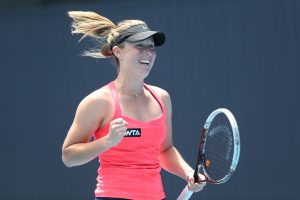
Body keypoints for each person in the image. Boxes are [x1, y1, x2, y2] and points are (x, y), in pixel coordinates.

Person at [62, 11, 206, 200]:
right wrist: (107, 141)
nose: (148, 52)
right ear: (117, 51)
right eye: (139, 45)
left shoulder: (162, 98)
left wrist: (188, 173)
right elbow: (69, 157)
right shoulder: (99, 101)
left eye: (151, 47)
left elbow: (165, 150)